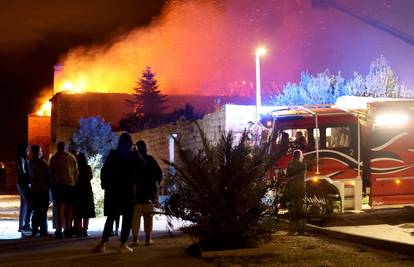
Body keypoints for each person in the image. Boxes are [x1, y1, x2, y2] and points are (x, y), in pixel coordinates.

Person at [94, 133, 136, 254]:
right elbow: (140, 168)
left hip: (113, 191)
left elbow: (104, 171)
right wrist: (136, 152)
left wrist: (105, 185)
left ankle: (103, 243)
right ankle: (123, 244)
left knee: (111, 217)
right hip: (127, 191)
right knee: (127, 218)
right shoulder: (132, 156)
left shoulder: (112, 156)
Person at [131, 140, 162, 246]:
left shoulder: (133, 161)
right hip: (149, 193)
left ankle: (135, 239)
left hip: (137, 194)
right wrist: (156, 185)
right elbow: (159, 174)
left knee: (136, 217)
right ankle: (148, 239)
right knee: (148, 217)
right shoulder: (150, 159)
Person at [49, 141, 79, 239]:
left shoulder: (54, 158)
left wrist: (52, 185)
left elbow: (51, 173)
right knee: (69, 209)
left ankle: (59, 231)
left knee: (60, 210)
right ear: (65, 147)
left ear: (58, 148)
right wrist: (74, 182)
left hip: (59, 186)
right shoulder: (72, 158)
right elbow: (76, 172)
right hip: (70, 186)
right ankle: (68, 229)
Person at [29, 145, 50, 237]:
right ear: (38, 152)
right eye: (40, 150)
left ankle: (34, 230)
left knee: (36, 210)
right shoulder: (43, 163)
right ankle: (43, 230)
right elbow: (49, 175)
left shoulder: (30, 163)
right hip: (43, 189)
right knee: (43, 211)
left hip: (34, 189)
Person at [74, 153, 95, 237]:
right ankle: (85, 230)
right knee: (86, 211)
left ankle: (79, 229)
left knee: (79, 211)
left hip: (78, 190)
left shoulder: (76, 168)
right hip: (87, 190)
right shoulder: (87, 167)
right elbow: (90, 177)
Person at [285, 149, 306, 235]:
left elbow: (288, 176)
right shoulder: (303, 165)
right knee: (300, 210)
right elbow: (303, 176)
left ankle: (291, 230)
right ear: (300, 156)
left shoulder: (289, 165)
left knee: (292, 210)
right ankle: (300, 230)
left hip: (292, 188)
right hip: (300, 188)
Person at [16, 143, 33, 232]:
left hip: (23, 183)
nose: (28, 151)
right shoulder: (21, 159)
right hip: (23, 183)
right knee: (28, 204)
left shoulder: (23, 158)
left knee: (24, 204)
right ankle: (26, 224)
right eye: (27, 149)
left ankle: (22, 225)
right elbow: (22, 171)